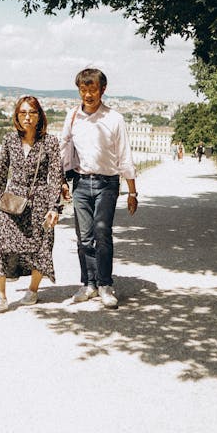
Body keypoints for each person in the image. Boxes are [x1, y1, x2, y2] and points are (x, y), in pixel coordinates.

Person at [61, 68, 138, 309]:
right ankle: (89, 284)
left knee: (102, 233)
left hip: (107, 183)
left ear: (102, 90)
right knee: (84, 238)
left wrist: (132, 191)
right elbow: (64, 150)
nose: (88, 95)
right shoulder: (72, 116)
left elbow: (125, 156)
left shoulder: (114, 119)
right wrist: (62, 181)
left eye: (92, 89)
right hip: (81, 183)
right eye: (83, 90)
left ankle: (105, 284)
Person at [0, 96, 63, 314]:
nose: (27, 117)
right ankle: (1, 297)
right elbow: (1, 172)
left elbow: (56, 177)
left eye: (32, 112)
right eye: (23, 113)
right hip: (12, 201)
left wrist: (54, 207)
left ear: (40, 116)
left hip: (40, 201)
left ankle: (32, 290)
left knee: (41, 246)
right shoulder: (10, 140)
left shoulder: (50, 142)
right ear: (17, 116)